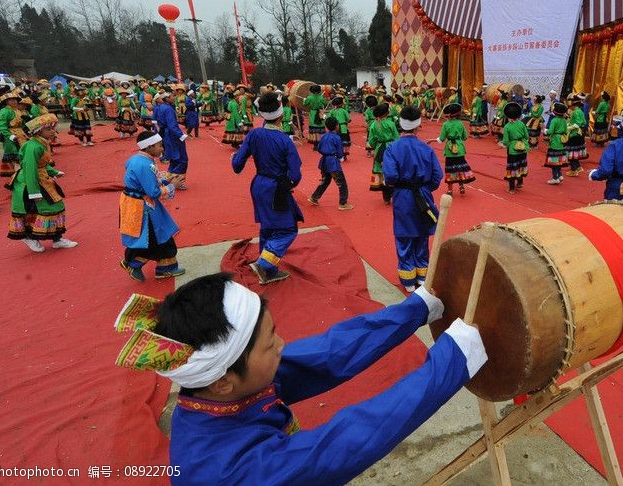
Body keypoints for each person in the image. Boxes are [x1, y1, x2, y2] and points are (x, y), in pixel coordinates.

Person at [112, 272, 486, 485]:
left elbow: (328, 353)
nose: (282, 345)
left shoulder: (224, 389)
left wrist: (414, 310)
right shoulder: (227, 472)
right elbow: (345, 443)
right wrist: (450, 362)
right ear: (222, 380)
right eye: (269, 343)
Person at [232, 92, 304, 285]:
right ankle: (265, 263)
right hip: (276, 187)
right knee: (288, 229)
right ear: (281, 115)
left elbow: (237, 164)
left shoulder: (254, 134)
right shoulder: (284, 141)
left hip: (258, 184)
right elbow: (295, 175)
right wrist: (288, 184)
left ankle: (268, 271)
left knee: (268, 226)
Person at [383, 106, 443, 291]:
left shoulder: (392, 148)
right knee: (422, 234)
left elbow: (391, 177)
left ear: (400, 125)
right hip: (423, 195)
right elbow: (437, 175)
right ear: (418, 126)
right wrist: (425, 188)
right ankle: (422, 278)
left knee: (404, 235)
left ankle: (408, 280)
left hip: (403, 196)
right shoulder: (426, 148)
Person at [119, 131, 186, 281]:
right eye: (160, 145)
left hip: (137, 202)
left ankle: (160, 267)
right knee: (155, 236)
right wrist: (172, 185)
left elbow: (145, 182)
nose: (162, 148)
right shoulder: (146, 164)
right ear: (149, 147)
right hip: (144, 206)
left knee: (153, 236)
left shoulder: (136, 159)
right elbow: (153, 192)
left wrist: (165, 181)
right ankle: (135, 263)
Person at [7, 114, 78, 252]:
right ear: (39, 131)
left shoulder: (41, 143)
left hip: (42, 178)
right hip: (30, 182)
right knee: (40, 209)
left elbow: (42, 164)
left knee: (56, 206)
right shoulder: (33, 146)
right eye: (49, 129)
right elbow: (30, 168)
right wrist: (34, 192)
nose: (53, 131)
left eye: (53, 128)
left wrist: (53, 172)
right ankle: (29, 237)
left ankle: (57, 238)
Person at [307, 116, 353, 210]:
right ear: (337, 126)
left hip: (324, 161)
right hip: (333, 162)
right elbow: (340, 152)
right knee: (341, 183)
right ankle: (343, 203)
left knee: (325, 180)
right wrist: (340, 157)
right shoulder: (336, 137)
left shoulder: (323, 136)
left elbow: (319, 148)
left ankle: (314, 197)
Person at [436, 103, 475, 196]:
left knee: (450, 169)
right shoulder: (461, 123)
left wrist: (433, 140)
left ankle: (450, 190)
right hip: (460, 148)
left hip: (450, 149)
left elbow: (441, 139)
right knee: (460, 168)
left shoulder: (446, 124)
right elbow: (465, 137)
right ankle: (461, 187)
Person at [154, 91, 190, 190]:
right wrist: (181, 136)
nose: (174, 97)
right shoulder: (168, 109)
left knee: (174, 159)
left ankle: (167, 179)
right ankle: (177, 181)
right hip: (172, 135)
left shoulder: (160, 107)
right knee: (182, 159)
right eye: (172, 96)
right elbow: (172, 125)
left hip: (166, 135)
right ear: (167, 98)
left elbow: (157, 121)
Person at [369, 103, 399, 203]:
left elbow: (371, 140)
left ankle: (386, 198)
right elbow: (396, 138)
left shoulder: (373, 124)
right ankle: (394, 194)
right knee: (392, 169)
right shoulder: (391, 123)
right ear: (387, 113)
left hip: (379, 148)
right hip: (390, 148)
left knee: (381, 172)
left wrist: (376, 146)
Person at [0, 92, 28, 177]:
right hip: (11, 136)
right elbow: (2, 125)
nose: (14, 102)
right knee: (14, 155)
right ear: (6, 102)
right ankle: (17, 175)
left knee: (23, 152)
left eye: (15, 100)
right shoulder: (5, 111)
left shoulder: (17, 110)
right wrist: (9, 135)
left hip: (20, 134)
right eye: (11, 100)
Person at [502, 102, 530, 194]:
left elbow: (505, 141)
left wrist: (505, 144)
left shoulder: (507, 126)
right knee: (520, 165)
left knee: (512, 168)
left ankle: (511, 188)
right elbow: (526, 136)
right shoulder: (521, 124)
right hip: (523, 147)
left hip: (513, 150)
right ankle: (520, 182)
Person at [544, 102, 570, 185]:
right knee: (559, 160)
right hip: (562, 141)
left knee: (554, 162)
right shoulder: (564, 120)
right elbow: (566, 131)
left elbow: (550, 131)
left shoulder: (554, 120)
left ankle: (555, 178)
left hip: (555, 141)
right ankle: (560, 175)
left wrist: (544, 130)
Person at [565, 99, 589, 176]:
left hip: (574, 134)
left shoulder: (576, 112)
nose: (569, 107)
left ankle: (573, 170)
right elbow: (584, 122)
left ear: (573, 105)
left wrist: (569, 127)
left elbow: (578, 123)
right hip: (579, 133)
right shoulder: (580, 111)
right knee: (575, 151)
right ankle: (578, 167)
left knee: (571, 152)